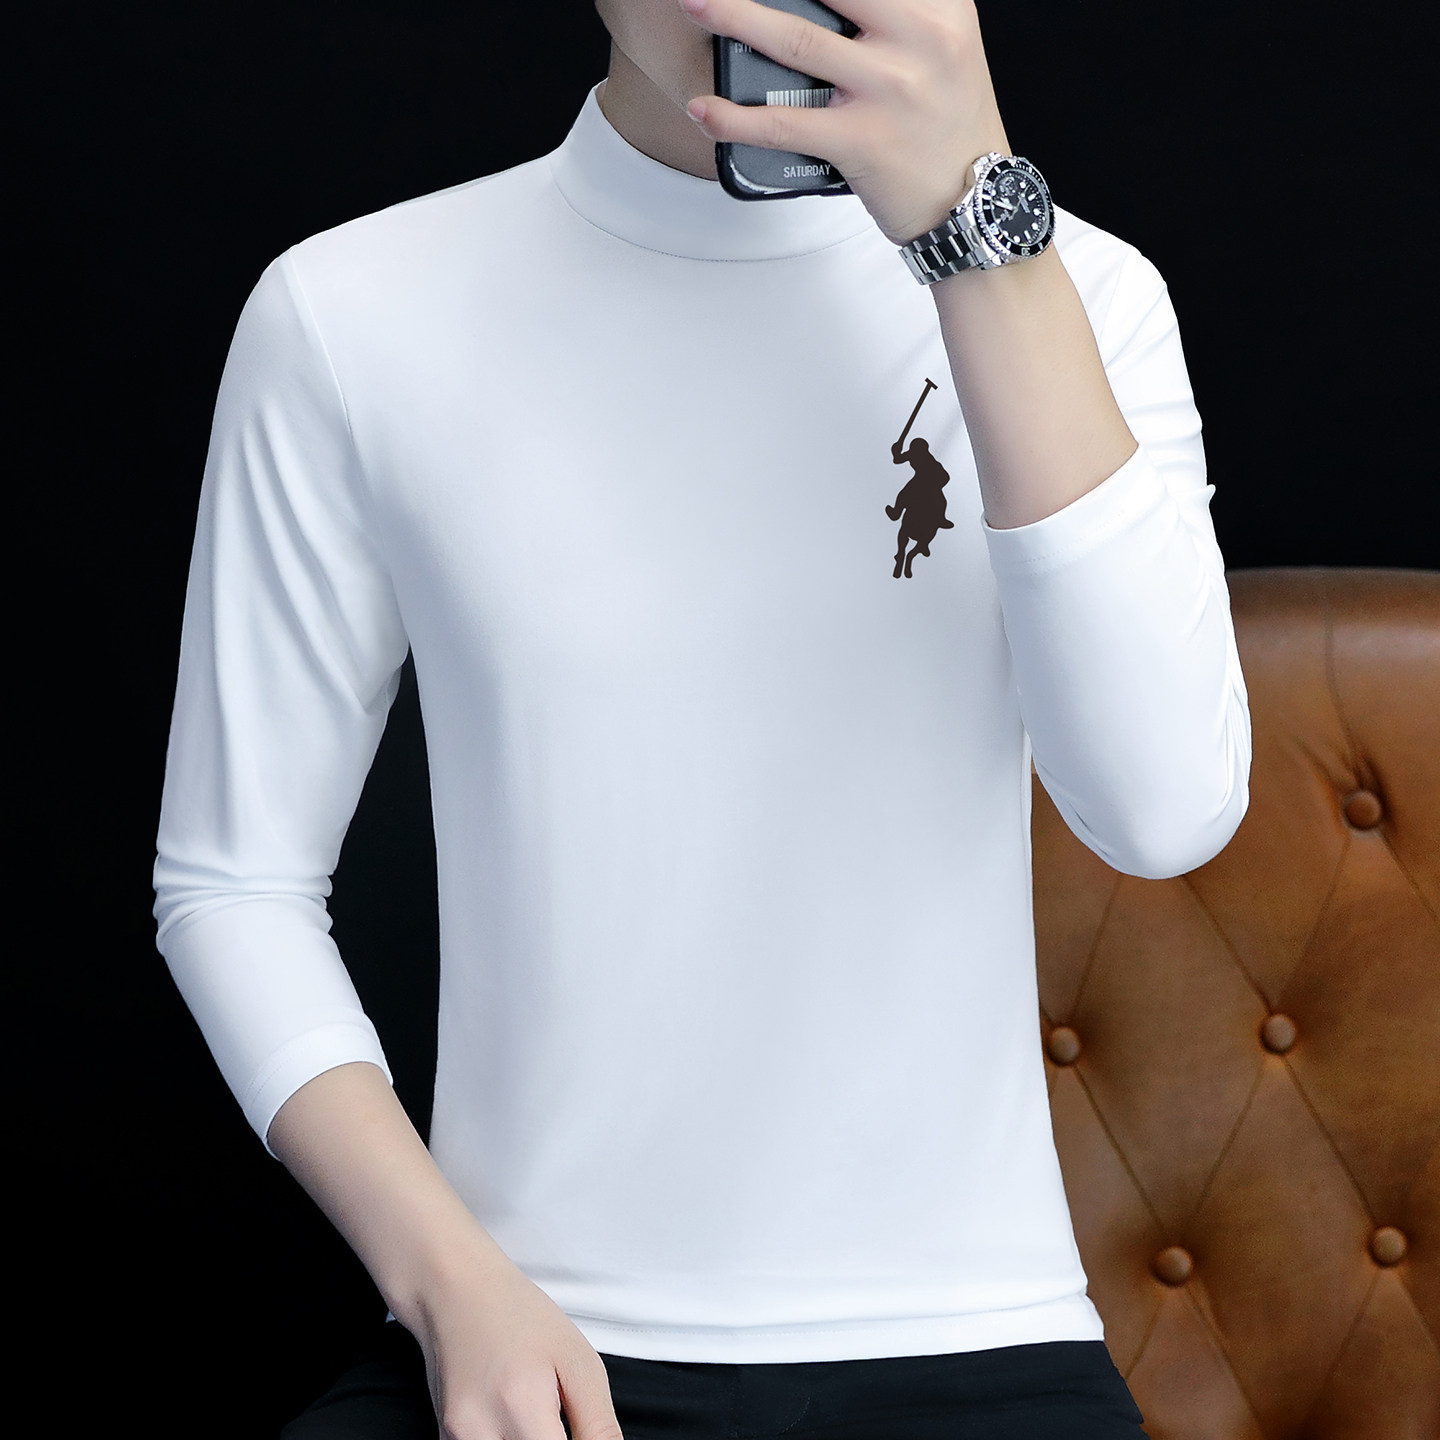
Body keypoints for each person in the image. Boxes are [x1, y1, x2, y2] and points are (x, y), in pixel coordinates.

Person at [151, 1, 1252, 1436]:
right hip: (534, 1345)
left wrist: (980, 242)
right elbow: (233, 884)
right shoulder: (353, 310)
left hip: (975, 1345)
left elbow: (1164, 813)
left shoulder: (1085, 297)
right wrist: (450, 1283)